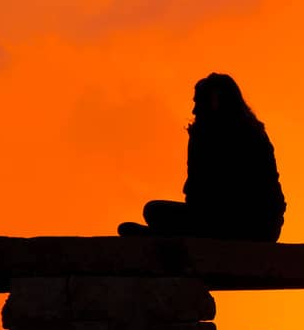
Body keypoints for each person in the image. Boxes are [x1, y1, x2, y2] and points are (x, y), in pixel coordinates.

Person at [117, 73, 286, 240]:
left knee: (154, 211)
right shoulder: (250, 133)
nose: (194, 110)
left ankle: (164, 237)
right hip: (255, 226)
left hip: (248, 224)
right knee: (154, 211)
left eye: (199, 102)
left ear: (215, 103)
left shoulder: (245, 136)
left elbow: (208, 192)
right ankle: (168, 236)